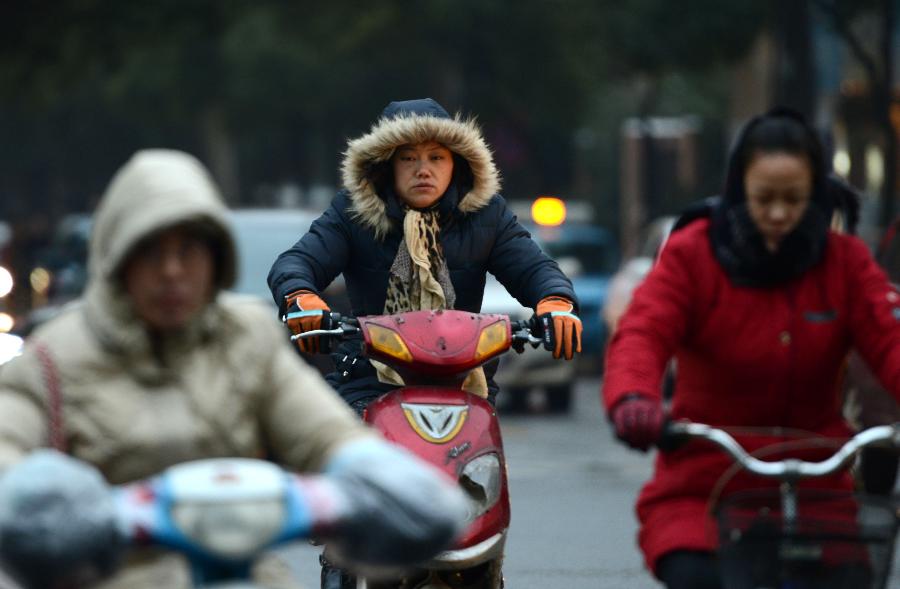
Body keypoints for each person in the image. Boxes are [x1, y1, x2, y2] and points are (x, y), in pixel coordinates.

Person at [0, 149, 468, 589]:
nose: (171, 271)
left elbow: (324, 435)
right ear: (116, 260)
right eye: (150, 252)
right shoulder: (52, 357)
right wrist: (36, 500)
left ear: (217, 258)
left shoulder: (249, 338)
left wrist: (378, 474)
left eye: (190, 251)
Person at [267, 97, 582, 587]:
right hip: (369, 380)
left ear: (457, 163)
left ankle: (482, 561)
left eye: (436, 157)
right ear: (384, 167)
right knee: (354, 503)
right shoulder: (352, 214)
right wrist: (301, 297)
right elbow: (295, 263)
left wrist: (555, 304)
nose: (423, 170)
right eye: (408, 158)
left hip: (464, 383)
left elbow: (537, 269)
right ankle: (343, 558)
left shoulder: (488, 215)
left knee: (478, 493)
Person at [602, 109, 900, 589]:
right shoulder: (693, 254)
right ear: (739, 188)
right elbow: (643, 332)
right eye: (764, 199)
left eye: (794, 199)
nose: (779, 214)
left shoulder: (845, 263)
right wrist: (634, 399)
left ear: (816, 195)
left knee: (848, 576)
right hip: (707, 486)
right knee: (696, 573)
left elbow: (890, 340)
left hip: (819, 488)